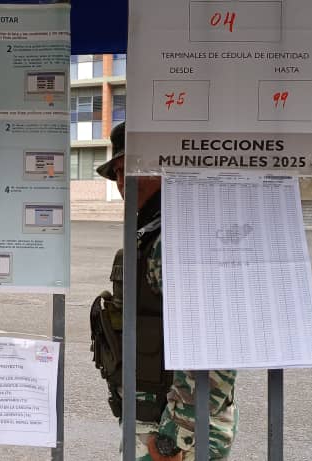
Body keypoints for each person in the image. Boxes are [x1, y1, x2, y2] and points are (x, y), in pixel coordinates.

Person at [90, 122, 237, 461]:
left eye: (134, 168)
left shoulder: (178, 237)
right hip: (157, 422)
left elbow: (214, 339)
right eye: (119, 172)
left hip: (178, 434)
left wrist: (177, 437)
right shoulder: (152, 231)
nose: (124, 182)